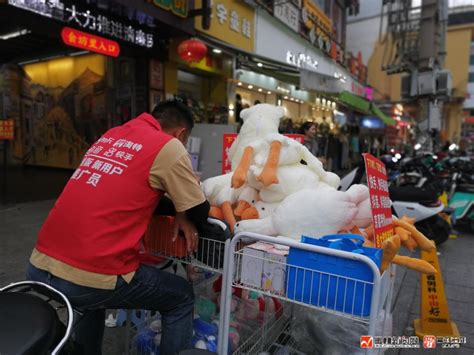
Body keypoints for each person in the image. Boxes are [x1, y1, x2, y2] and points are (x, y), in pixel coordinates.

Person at [26, 100, 210, 355]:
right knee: (180, 296)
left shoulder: (113, 135)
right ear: (181, 133)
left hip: (39, 265)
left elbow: (127, 189)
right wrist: (184, 210)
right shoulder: (168, 146)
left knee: (92, 299)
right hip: (86, 277)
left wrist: (181, 210)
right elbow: (200, 209)